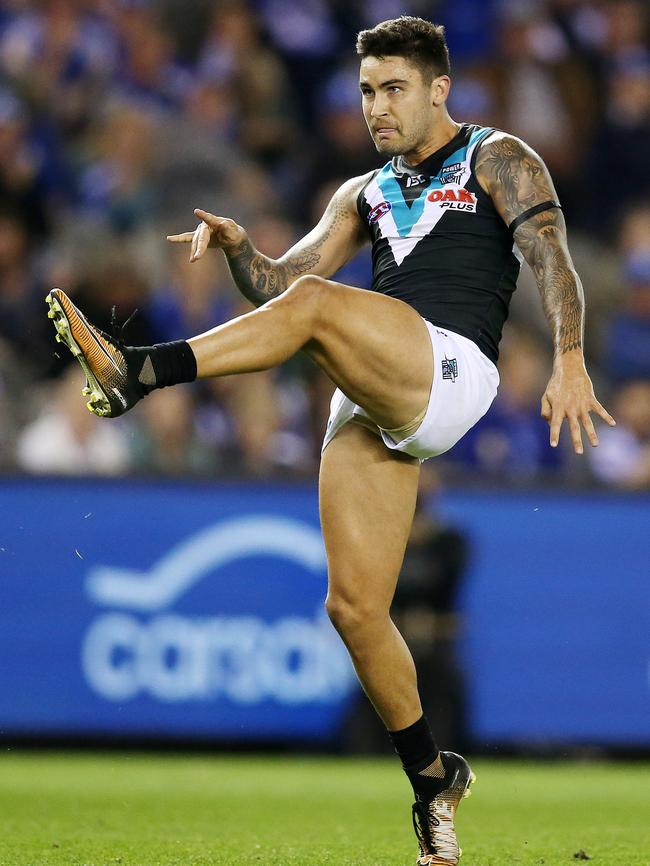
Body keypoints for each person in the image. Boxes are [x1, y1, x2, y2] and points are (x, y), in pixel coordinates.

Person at [45, 17, 615, 866]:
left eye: (393, 89)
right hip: (377, 386)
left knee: (318, 311)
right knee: (353, 610)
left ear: (438, 90)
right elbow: (283, 281)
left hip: (455, 367)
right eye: (365, 92)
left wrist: (569, 357)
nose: (377, 107)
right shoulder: (362, 190)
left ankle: (139, 372)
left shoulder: (498, 155)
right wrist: (243, 251)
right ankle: (433, 781)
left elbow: (551, 258)